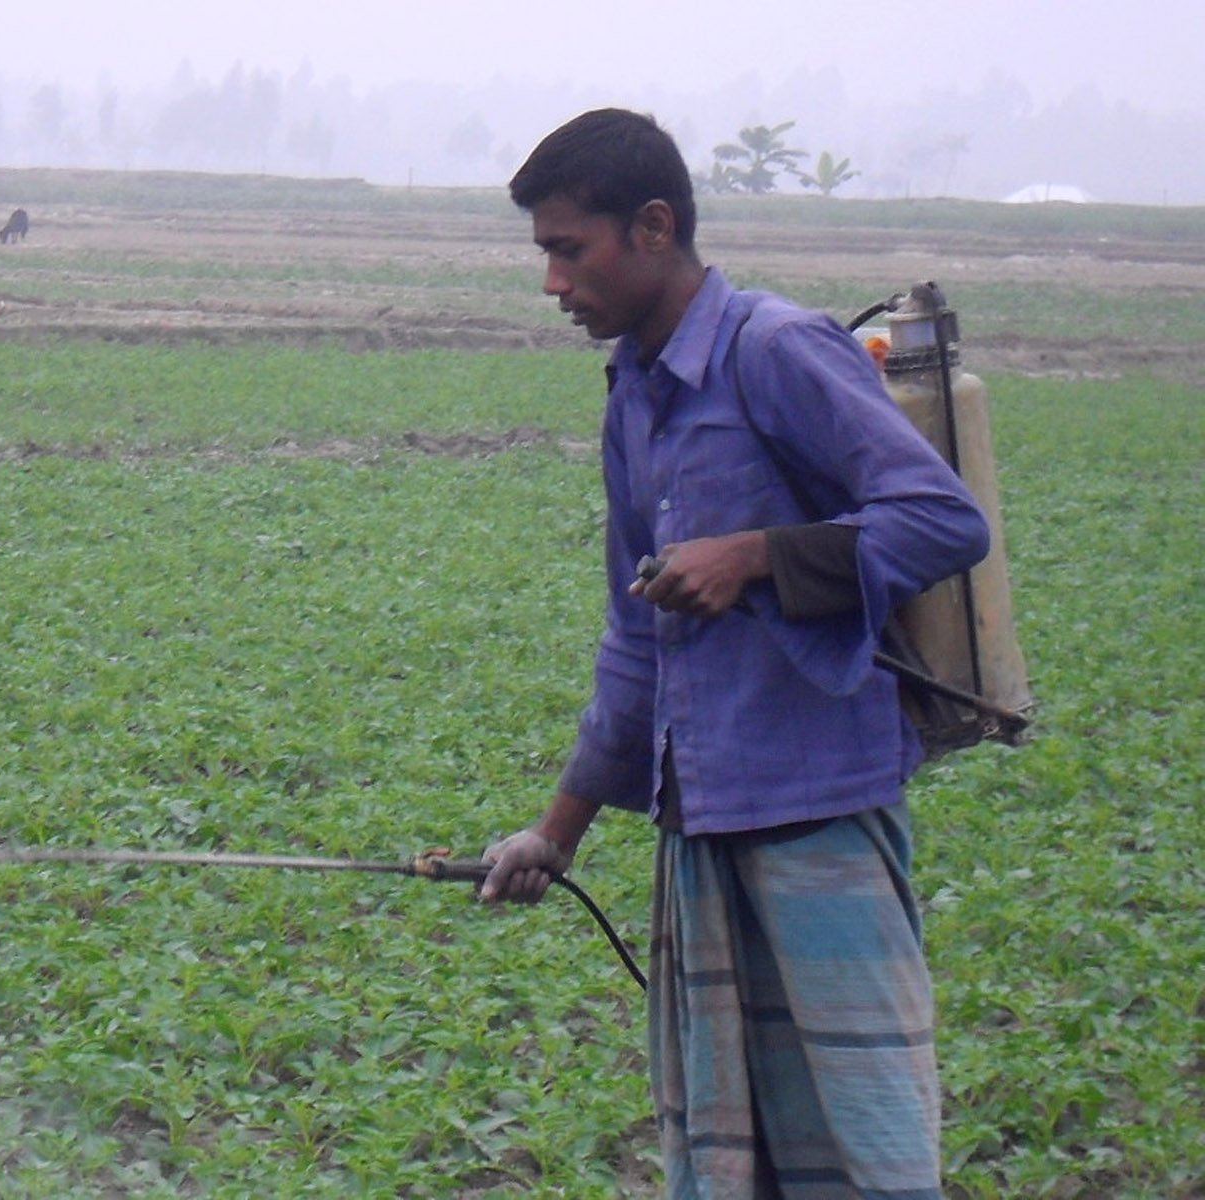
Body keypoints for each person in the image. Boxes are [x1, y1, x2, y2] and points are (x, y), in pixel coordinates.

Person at [478, 108, 990, 1200]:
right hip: (701, 830)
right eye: (544, 256)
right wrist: (553, 834)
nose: (553, 283)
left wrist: (756, 555)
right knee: (729, 1162)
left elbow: (944, 520)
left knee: (871, 1155)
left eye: (569, 249)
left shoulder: (775, 351)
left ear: (653, 227)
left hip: (821, 823)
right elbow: (637, 637)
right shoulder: (633, 398)